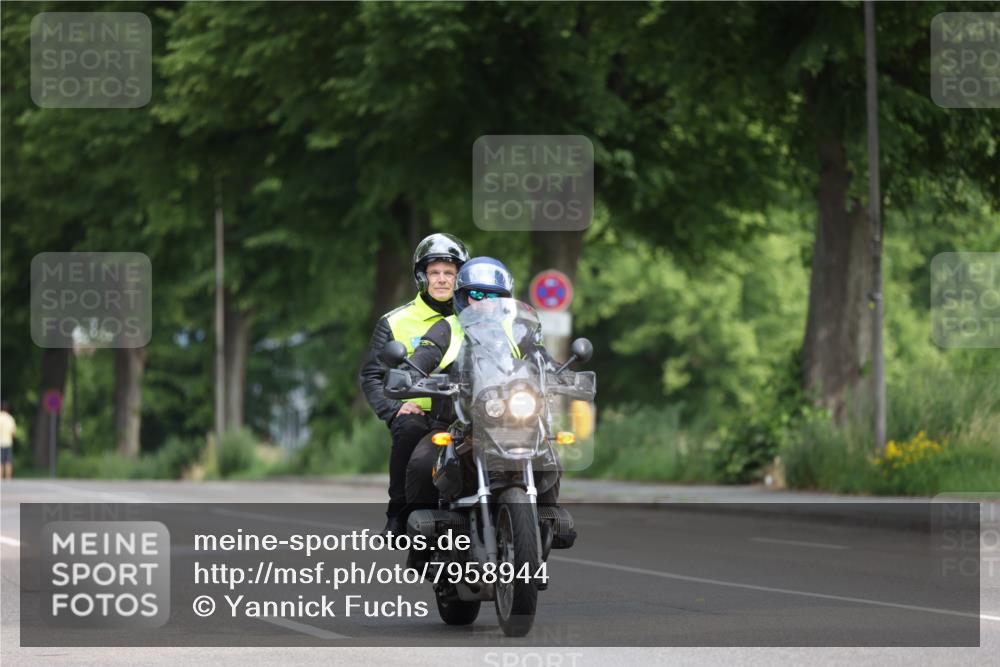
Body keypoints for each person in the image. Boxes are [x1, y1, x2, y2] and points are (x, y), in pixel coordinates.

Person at [400, 257, 559, 508]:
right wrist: (409, 376)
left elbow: (540, 357)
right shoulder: (447, 328)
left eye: (494, 296)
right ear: (463, 296)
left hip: (511, 419)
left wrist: (563, 375)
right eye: (476, 293)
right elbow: (423, 356)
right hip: (455, 423)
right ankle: (420, 537)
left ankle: (548, 515)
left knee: (548, 452)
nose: (485, 302)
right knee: (422, 462)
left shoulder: (515, 329)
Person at [358, 233, 470, 536]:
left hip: (473, 410)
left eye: (450, 273)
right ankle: (400, 512)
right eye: (435, 273)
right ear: (422, 276)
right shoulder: (396, 321)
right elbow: (372, 375)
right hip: (420, 413)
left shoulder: (480, 318)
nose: (443, 280)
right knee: (408, 428)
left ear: (461, 276)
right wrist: (393, 409)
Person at [0, 401, 17, 480]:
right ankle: (8, 479)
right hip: (8, 443)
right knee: (8, 462)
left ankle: (0, 478)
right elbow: (14, 433)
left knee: (1, 462)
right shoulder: (11, 419)